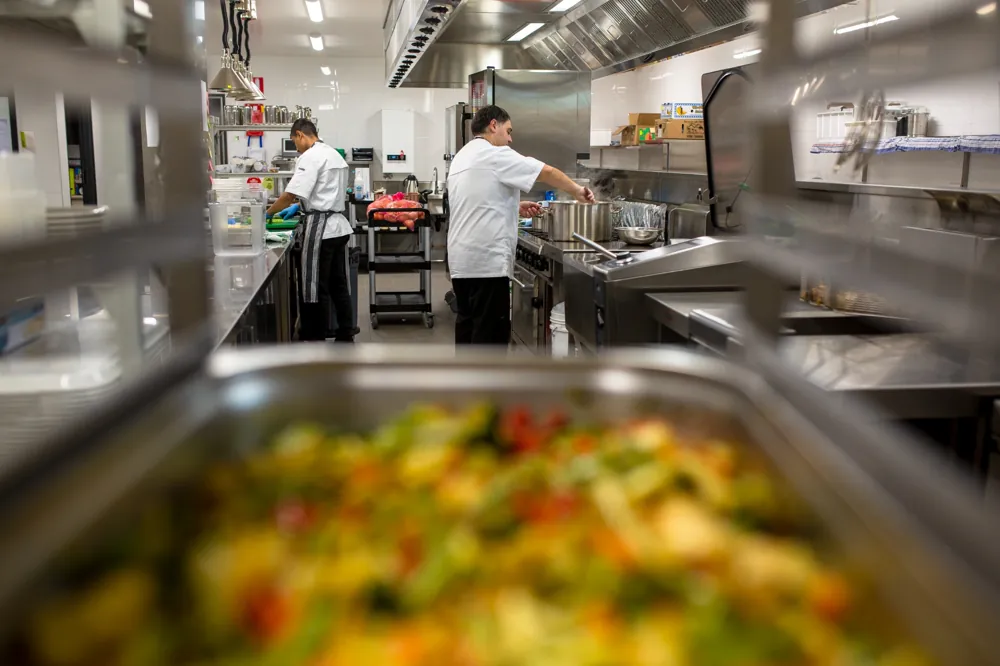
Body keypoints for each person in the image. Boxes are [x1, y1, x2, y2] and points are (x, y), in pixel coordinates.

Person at [447, 105, 595, 346]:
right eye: (508, 131)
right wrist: (578, 190)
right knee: (489, 340)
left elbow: (473, 200)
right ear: (493, 125)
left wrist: (513, 206)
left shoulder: (463, 155)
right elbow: (545, 172)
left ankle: (467, 382)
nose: (510, 138)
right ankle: (487, 384)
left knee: (468, 329)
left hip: (462, 263)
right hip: (487, 265)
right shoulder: (494, 153)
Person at [267, 119, 354, 342]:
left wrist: (266, 214)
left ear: (300, 135)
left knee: (315, 286)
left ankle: (315, 337)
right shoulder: (333, 153)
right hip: (338, 227)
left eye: (294, 141)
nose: (295, 147)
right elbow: (323, 190)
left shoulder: (309, 157)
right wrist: (301, 206)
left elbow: (289, 195)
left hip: (321, 229)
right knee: (338, 284)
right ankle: (346, 333)